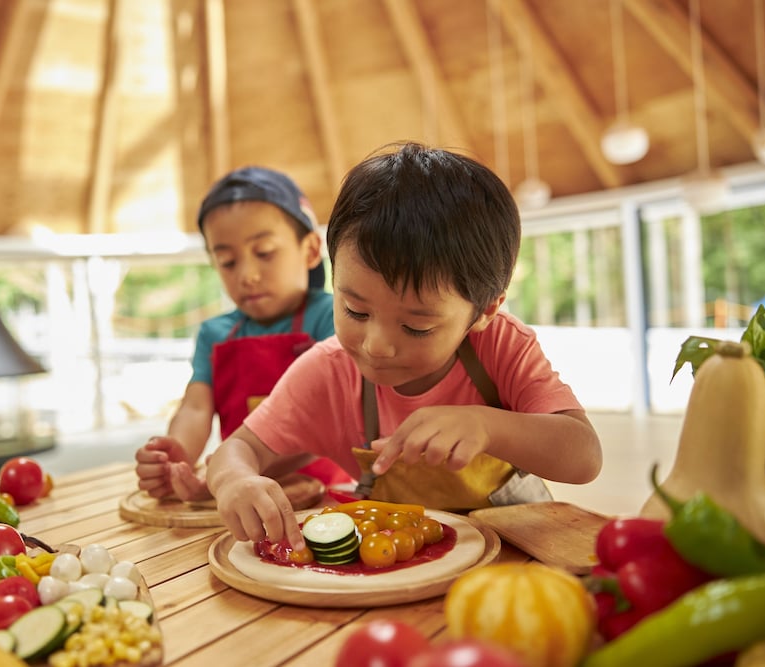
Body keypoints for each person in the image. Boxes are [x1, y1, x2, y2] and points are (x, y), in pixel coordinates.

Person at [206, 142, 603, 551]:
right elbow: (237, 449)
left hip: (514, 568)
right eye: (355, 311)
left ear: (485, 309)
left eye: (416, 326)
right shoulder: (326, 372)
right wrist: (234, 480)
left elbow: (584, 456)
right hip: (396, 577)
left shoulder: (500, 346)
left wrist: (486, 426)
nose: (376, 347)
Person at [135, 166, 352, 501]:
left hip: (331, 497)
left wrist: (224, 475)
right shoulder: (215, 333)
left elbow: (328, 419)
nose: (247, 275)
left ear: (310, 250)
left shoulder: (333, 316)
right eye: (227, 261)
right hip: (243, 504)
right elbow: (195, 409)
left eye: (264, 252)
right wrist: (176, 457)